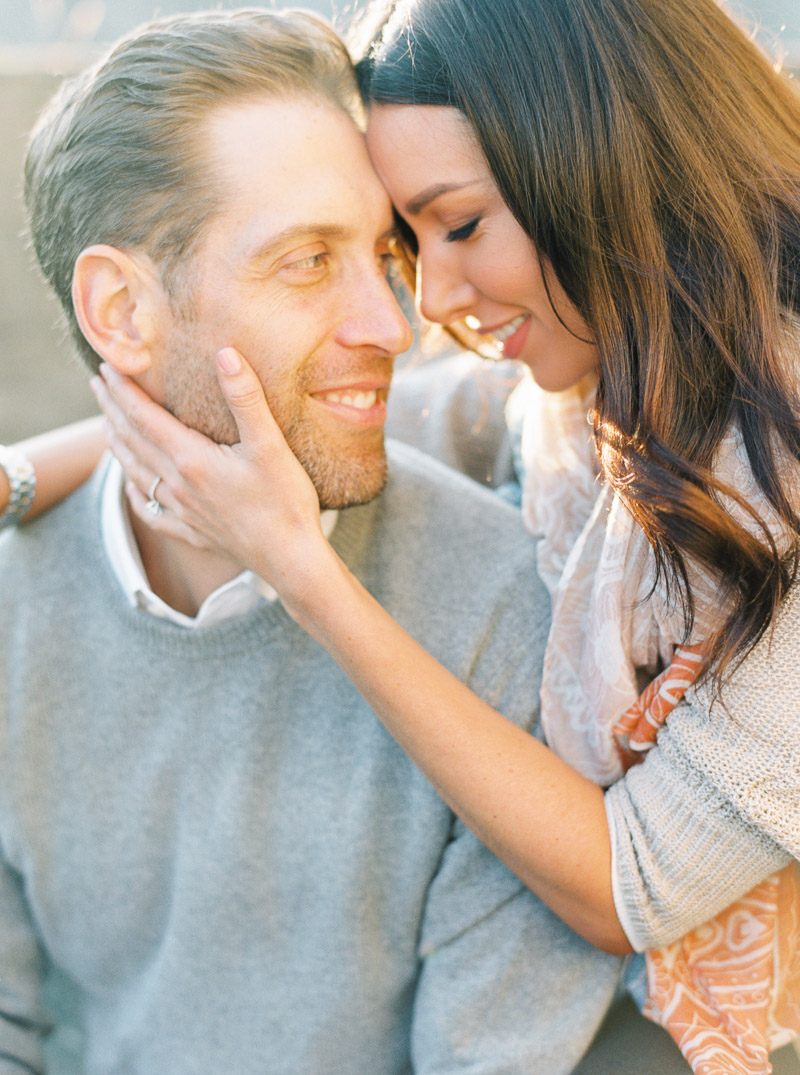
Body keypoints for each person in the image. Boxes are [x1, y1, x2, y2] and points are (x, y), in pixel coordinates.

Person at [77, 1, 800, 1073]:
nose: (437, 303)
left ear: (608, 157)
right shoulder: (590, 387)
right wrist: (18, 478)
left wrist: (302, 573)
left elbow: (629, 886)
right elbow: (290, 421)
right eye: (403, 248)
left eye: (457, 225)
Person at [0, 9, 625, 1074]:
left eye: (382, 254)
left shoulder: (509, 609)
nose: (392, 323)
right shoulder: (17, 600)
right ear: (121, 310)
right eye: (305, 262)